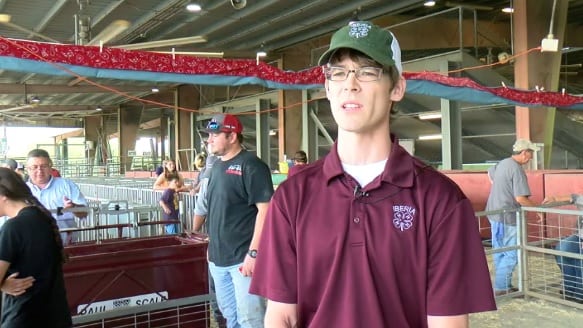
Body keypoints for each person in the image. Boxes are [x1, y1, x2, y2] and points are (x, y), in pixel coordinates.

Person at [249, 21, 496, 327]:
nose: (350, 83)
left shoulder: (441, 200)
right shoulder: (292, 196)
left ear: (397, 88)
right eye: (338, 72)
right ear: (327, 87)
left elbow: (447, 322)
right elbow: (281, 315)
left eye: (367, 71)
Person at [204, 113, 274, 328]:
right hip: (218, 258)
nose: (210, 139)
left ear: (232, 136)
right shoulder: (216, 167)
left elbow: (266, 210)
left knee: (250, 320)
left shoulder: (252, 166)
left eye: (216, 134)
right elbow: (215, 209)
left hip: (242, 260)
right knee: (230, 317)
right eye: (209, 135)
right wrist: (210, 246)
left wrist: (254, 253)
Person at [0, 167, 72, 327]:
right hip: (55, 316)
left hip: (23, 317)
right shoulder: (43, 218)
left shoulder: (13, 228)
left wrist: (3, 284)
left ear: (4, 196)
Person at [486, 139, 541, 296]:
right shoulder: (517, 170)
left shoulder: (503, 163)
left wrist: (501, 189)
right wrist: (537, 210)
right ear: (524, 152)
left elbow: (490, 173)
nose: (530, 157)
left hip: (493, 213)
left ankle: (502, 284)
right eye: (530, 154)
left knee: (500, 250)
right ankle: (502, 287)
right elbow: (520, 198)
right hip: (508, 216)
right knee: (512, 252)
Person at [25, 148, 88, 245]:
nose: (39, 170)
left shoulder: (66, 185)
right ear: (28, 169)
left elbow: (85, 212)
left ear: (51, 167)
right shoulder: (21, 189)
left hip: (64, 244)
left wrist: (73, 207)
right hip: (31, 244)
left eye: (44, 166)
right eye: (34, 167)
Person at [542, 193, 583, 303]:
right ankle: (569, 288)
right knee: (562, 248)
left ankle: (580, 293)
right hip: (579, 236)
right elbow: (574, 197)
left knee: (580, 260)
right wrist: (555, 197)